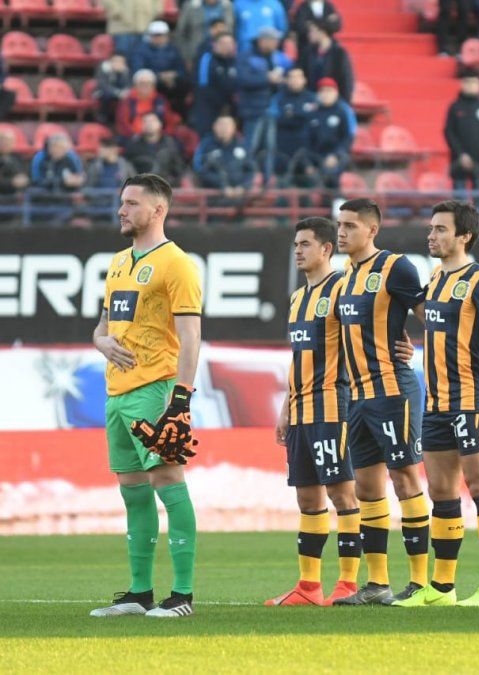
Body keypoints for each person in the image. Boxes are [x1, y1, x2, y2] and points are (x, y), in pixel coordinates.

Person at [88, 173, 202, 619]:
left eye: (132, 203)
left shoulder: (177, 264)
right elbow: (103, 327)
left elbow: (191, 336)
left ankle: (183, 596)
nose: (122, 210)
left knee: (168, 483)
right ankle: (139, 593)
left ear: (158, 211)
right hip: (116, 394)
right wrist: (100, 342)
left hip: (155, 389)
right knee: (132, 491)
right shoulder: (118, 263)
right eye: (122, 202)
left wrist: (181, 398)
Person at [391, 200, 479, 608]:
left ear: (464, 236)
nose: (432, 235)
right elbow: (440, 332)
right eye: (431, 228)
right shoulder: (434, 280)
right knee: (442, 493)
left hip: (470, 401)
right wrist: (410, 348)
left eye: (441, 229)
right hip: (436, 403)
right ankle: (442, 588)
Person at [332, 199, 430, 606]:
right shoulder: (346, 277)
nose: (341, 232)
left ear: (372, 230)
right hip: (357, 397)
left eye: (350, 226)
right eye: (340, 225)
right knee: (368, 489)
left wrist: (419, 350)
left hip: (393, 391)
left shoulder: (397, 268)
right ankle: (378, 584)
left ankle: (422, 582)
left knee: (405, 479)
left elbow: (433, 320)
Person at [264, 217, 363, 607]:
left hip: (332, 406)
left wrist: (399, 347)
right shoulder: (297, 298)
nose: (298, 251)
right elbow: (297, 357)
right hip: (301, 409)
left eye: (306, 244)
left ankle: (349, 583)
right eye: (295, 244)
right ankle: (308, 587)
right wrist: (286, 407)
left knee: (342, 492)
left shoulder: (341, 287)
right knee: (307, 499)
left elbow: (368, 334)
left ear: (326, 249)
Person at [237, 26, 292, 178]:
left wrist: (282, 81)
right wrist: (267, 78)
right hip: (253, 109)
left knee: (270, 147)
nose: (276, 44)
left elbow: (285, 77)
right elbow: (243, 79)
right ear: (263, 40)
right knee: (251, 146)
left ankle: (267, 180)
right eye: (273, 40)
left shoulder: (276, 57)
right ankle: (245, 178)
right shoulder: (246, 56)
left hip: (272, 109)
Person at [444, 70, 479, 212]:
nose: (471, 85)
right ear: (462, 84)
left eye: (474, 82)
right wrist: (461, 154)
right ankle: (458, 231)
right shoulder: (455, 107)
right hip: (459, 161)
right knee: (459, 203)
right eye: (467, 82)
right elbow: (449, 132)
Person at [131, 21, 191, 118]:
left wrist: (173, 75)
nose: (158, 38)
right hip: (152, 81)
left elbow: (181, 68)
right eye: (155, 35)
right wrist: (159, 76)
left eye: (161, 35)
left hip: (172, 82)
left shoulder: (173, 49)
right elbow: (139, 70)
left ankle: (180, 118)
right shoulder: (141, 50)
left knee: (184, 86)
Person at [270, 68, 318, 185]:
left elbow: (315, 119)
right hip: (283, 152)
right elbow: (276, 119)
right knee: (283, 193)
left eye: (298, 77)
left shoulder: (312, 98)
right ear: (286, 80)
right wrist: (301, 115)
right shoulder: (278, 98)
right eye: (291, 77)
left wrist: (293, 115)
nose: (295, 80)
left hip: (307, 152)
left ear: (304, 80)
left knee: (307, 194)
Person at [306, 78, 356, 189]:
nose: (326, 94)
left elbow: (348, 137)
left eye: (329, 91)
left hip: (337, 155)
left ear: (335, 93)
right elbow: (307, 140)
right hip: (317, 156)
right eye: (323, 91)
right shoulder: (313, 113)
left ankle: (336, 202)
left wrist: (335, 155)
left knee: (331, 174)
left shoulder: (342, 111)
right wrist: (308, 164)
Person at [193, 115, 256, 197]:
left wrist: (243, 187)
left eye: (227, 125)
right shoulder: (206, 146)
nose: (224, 128)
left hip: (240, 196)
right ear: (214, 127)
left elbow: (250, 171)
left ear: (234, 128)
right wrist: (223, 186)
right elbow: (202, 171)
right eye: (221, 124)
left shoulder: (243, 146)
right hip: (214, 197)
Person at [189, 33, 238, 138]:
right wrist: (222, 106)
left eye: (230, 43)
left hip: (229, 109)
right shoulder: (207, 59)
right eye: (223, 43)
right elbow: (203, 86)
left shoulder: (235, 61)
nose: (227, 46)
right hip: (208, 108)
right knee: (207, 139)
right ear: (215, 45)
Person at [124, 113, 187, 186]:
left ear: (160, 124)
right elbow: (127, 168)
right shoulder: (133, 145)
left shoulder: (170, 144)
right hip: (141, 189)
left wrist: (168, 183)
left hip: (166, 188)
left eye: (152, 121)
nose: (149, 124)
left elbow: (179, 168)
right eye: (145, 122)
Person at [116, 69, 181, 140]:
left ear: (153, 86)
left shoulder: (160, 100)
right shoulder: (128, 100)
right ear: (135, 85)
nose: (145, 86)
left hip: (158, 137)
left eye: (148, 83)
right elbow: (122, 123)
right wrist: (133, 136)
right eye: (141, 83)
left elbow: (169, 120)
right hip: (133, 138)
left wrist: (164, 135)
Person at [300, 20, 354, 102]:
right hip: (311, 98)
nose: (309, 34)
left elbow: (346, 79)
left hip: (332, 100)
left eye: (312, 31)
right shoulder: (308, 52)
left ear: (322, 32)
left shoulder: (339, 53)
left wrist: (344, 101)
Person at [175, 0, 236, 68]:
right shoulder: (191, 6)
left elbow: (232, 31)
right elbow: (180, 33)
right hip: (196, 54)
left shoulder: (227, 5)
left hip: (223, 56)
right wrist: (186, 57)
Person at [95, 53, 133, 125]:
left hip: (121, 94)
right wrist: (117, 93)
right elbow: (103, 85)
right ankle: (103, 117)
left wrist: (121, 74)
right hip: (104, 93)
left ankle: (124, 119)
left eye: (120, 61)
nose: (118, 63)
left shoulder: (126, 71)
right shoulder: (104, 69)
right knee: (106, 95)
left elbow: (128, 86)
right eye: (116, 61)